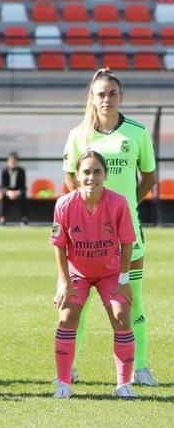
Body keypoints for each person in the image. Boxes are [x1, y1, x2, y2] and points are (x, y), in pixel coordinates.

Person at [63, 68, 158, 386]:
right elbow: (70, 181)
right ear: (91, 97)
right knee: (80, 302)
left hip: (128, 233)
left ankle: (140, 368)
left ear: (121, 97)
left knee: (133, 299)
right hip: (87, 236)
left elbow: (148, 178)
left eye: (112, 93)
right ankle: (70, 368)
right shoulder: (78, 135)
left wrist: (126, 207)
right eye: (100, 93)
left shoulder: (137, 133)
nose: (106, 99)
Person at [51, 151, 137, 399]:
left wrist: (124, 280)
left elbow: (127, 242)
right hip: (77, 273)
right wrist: (64, 281)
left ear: (105, 175)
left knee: (121, 317)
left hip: (110, 273)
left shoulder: (118, 203)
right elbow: (59, 244)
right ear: (76, 176)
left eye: (97, 171)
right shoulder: (64, 204)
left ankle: (123, 384)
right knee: (67, 318)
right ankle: (64, 383)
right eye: (86, 172)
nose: (91, 177)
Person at [0, 152, 28, 225]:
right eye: (11, 162)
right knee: (1, 197)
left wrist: (18, 192)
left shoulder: (21, 171)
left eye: (14, 162)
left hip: (18, 191)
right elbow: (2, 186)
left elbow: (23, 186)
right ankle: (2, 219)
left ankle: (24, 219)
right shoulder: (4, 171)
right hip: (8, 192)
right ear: (8, 162)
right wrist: (8, 192)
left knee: (24, 197)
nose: (12, 163)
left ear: (17, 162)